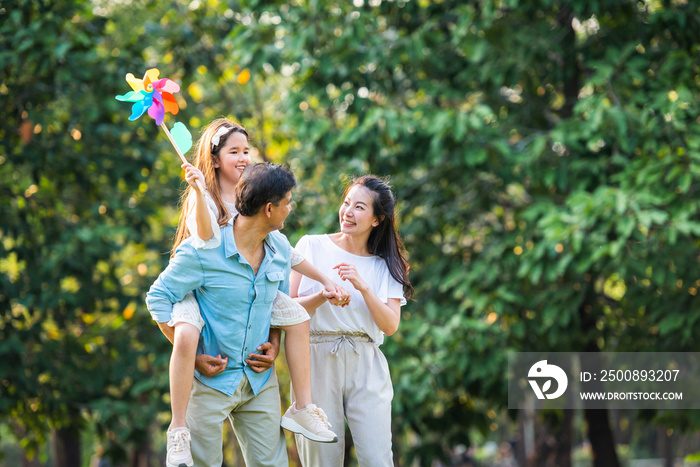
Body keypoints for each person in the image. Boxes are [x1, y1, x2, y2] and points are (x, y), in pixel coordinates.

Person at [154, 119, 348, 467]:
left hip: (255, 372)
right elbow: (202, 241)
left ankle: (302, 406)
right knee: (185, 335)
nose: (242, 157)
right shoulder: (206, 205)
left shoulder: (272, 239)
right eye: (234, 151)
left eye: (246, 150)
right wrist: (198, 190)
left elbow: (286, 268)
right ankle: (178, 428)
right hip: (200, 292)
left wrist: (321, 287)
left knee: (296, 315)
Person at [290, 175, 414, 466]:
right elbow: (287, 309)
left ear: (376, 219)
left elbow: (390, 325)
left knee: (377, 457)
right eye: (347, 203)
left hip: (366, 360)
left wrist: (362, 286)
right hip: (317, 356)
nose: (347, 212)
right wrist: (323, 295)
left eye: (359, 207)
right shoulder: (311, 246)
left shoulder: (386, 264)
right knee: (320, 456)